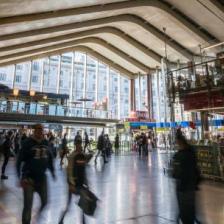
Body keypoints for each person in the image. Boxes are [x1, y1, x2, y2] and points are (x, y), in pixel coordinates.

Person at [16, 124, 56, 224]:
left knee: (45, 201)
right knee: (28, 206)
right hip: (29, 178)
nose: (40, 131)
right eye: (38, 129)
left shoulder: (46, 143)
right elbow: (19, 160)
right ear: (34, 131)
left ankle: (37, 215)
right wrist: (20, 176)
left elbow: (50, 158)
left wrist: (52, 171)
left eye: (41, 129)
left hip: (42, 178)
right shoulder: (27, 143)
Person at [58, 138, 91, 224]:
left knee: (84, 205)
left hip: (81, 184)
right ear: (75, 145)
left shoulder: (83, 155)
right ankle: (61, 220)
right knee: (68, 206)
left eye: (80, 144)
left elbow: (84, 170)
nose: (79, 146)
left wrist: (86, 183)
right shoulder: (72, 156)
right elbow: (69, 171)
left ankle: (83, 222)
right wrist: (71, 184)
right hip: (73, 185)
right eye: (78, 144)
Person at [172, 133, 201, 224]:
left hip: (183, 187)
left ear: (179, 142)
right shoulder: (191, 151)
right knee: (190, 208)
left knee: (185, 209)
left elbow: (176, 172)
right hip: (191, 185)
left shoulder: (179, 155)